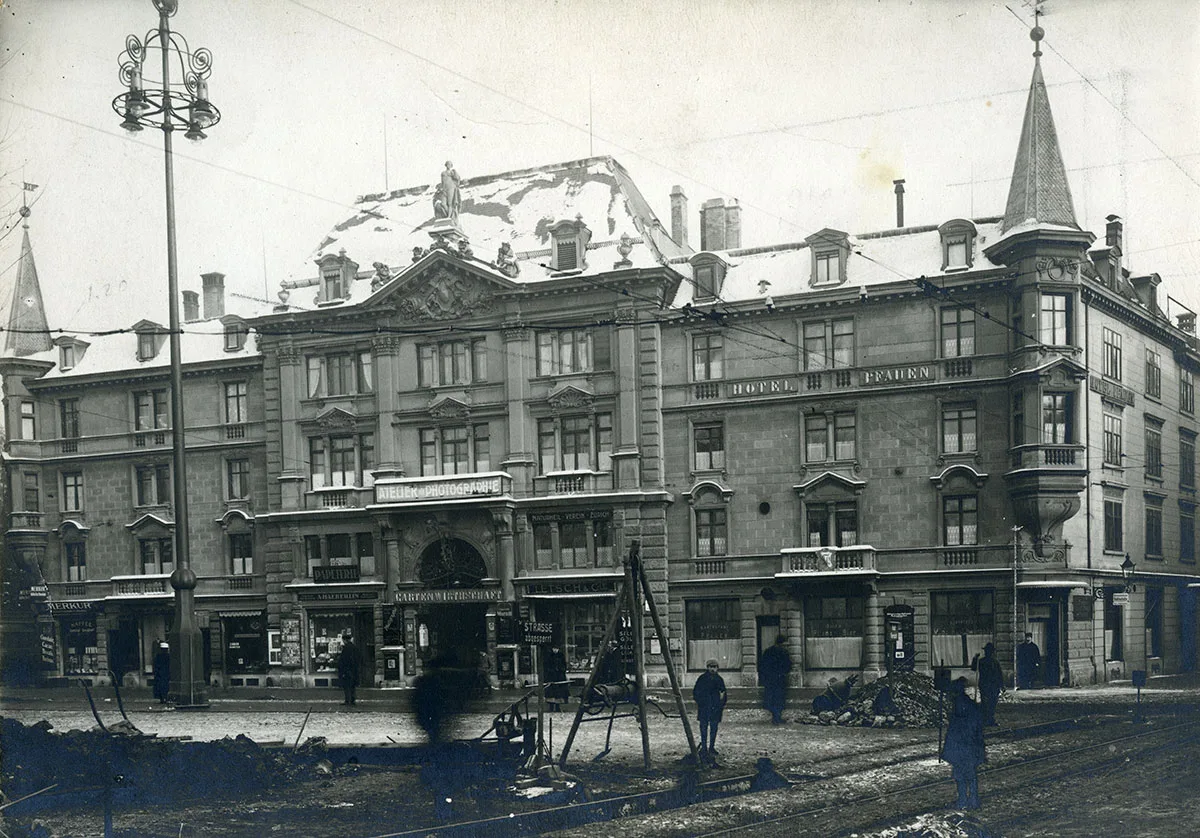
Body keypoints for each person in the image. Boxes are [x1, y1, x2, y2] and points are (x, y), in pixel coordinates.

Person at [941, 677, 985, 809]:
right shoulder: (970, 705)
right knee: (970, 775)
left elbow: (955, 731)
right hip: (970, 746)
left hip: (962, 747)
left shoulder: (958, 706)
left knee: (961, 775)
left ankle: (963, 801)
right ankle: (973, 800)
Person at [692, 659, 728, 759]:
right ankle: (704, 748)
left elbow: (724, 693)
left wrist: (721, 705)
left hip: (715, 708)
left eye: (714, 667)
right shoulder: (702, 679)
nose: (712, 669)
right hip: (704, 707)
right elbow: (695, 692)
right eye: (710, 667)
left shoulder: (719, 679)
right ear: (707, 667)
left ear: (717, 668)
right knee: (703, 727)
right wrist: (700, 702)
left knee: (714, 728)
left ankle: (712, 747)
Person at [758, 635, 792, 724]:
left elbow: (762, 665)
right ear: (782, 643)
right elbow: (788, 666)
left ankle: (775, 716)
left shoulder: (768, 651)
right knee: (779, 699)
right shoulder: (784, 652)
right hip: (780, 679)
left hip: (770, 680)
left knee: (771, 698)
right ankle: (777, 717)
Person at [971, 642, 1004, 726]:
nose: (987, 652)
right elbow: (974, 668)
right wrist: (975, 658)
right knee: (986, 704)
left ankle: (990, 720)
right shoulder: (981, 661)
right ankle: (986, 720)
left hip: (993, 686)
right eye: (986, 651)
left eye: (988, 651)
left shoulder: (995, 662)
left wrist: (1002, 685)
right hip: (985, 685)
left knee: (992, 704)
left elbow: (999, 674)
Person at [543, 644, 569, 712]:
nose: (555, 650)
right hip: (551, 677)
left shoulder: (561, 655)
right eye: (554, 648)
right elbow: (546, 666)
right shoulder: (549, 656)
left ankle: (558, 707)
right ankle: (551, 707)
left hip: (559, 677)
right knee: (551, 693)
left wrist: (561, 670)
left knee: (559, 694)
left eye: (556, 648)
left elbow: (564, 665)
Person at [337, 633, 359, 706]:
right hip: (353, 670)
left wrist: (342, 669)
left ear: (345, 640)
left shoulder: (346, 648)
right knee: (352, 686)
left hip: (347, 670)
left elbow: (344, 660)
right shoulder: (354, 647)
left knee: (346, 686)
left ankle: (347, 700)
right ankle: (352, 700)